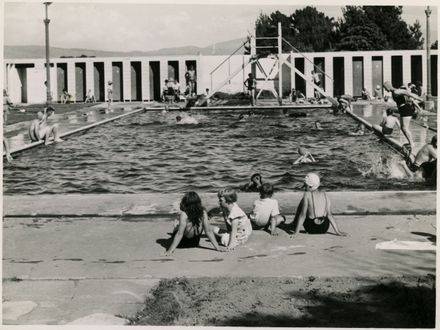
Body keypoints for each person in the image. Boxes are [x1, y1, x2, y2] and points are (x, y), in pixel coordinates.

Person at [291, 173, 346, 237]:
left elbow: (302, 215)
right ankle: (294, 224)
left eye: (305, 186)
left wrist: (296, 233)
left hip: (311, 228)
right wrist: (338, 231)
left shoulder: (307, 195)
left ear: (310, 186)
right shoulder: (325, 195)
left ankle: (294, 224)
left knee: (303, 204)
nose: (304, 188)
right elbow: (330, 215)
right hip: (323, 228)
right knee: (325, 213)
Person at [383, 81, 423, 151]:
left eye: (385, 88)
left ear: (388, 86)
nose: (385, 90)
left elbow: (409, 94)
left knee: (405, 128)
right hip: (402, 109)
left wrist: (419, 99)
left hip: (405, 109)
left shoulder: (397, 91)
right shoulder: (394, 92)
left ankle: (412, 144)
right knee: (403, 128)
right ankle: (411, 143)